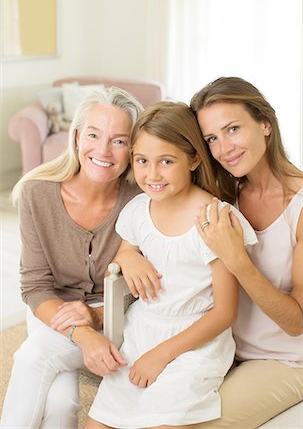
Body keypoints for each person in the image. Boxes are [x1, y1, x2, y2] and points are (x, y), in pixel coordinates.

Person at [85, 101, 258, 429]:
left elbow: (225, 313)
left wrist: (162, 354)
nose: (152, 175)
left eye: (166, 161)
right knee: (98, 424)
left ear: (193, 158)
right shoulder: (138, 209)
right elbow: (124, 251)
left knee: (159, 422)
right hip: (142, 333)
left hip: (194, 343)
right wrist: (128, 257)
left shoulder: (214, 220)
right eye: (142, 161)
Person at [0, 87, 143, 429]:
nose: (103, 150)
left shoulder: (141, 200)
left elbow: (141, 288)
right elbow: (35, 287)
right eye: (94, 134)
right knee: (63, 405)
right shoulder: (37, 192)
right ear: (77, 137)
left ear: (133, 149)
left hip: (115, 315)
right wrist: (84, 334)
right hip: (53, 308)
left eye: (119, 141)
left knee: (34, 357)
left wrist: (95, 317)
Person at [189, 76, 303, 428]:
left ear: (265, 124)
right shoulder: (224, 194)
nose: (224, 148)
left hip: (285, 360)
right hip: (225, 347)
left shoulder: (298, 207)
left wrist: (238, 260)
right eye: (212, 138)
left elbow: (297, 322)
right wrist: (128, 253)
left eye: (233, 128)